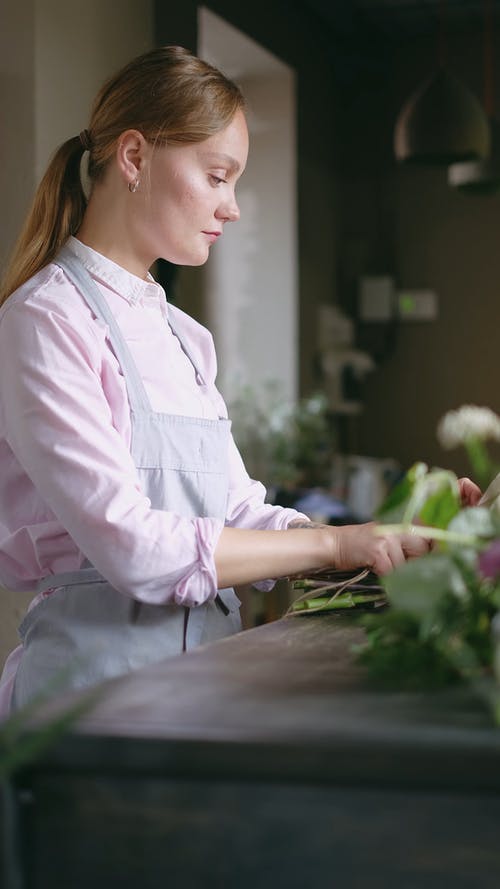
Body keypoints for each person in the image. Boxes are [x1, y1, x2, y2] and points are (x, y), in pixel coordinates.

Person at [0, 46, 473, 715]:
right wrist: (335, 541)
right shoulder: (44, 321)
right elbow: (133, 547)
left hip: (206, 690)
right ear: (133, 158)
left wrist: (387, 538)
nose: (233, 208)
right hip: (86, 708)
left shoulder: (184, 337)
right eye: (218, 176)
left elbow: (239, 512)